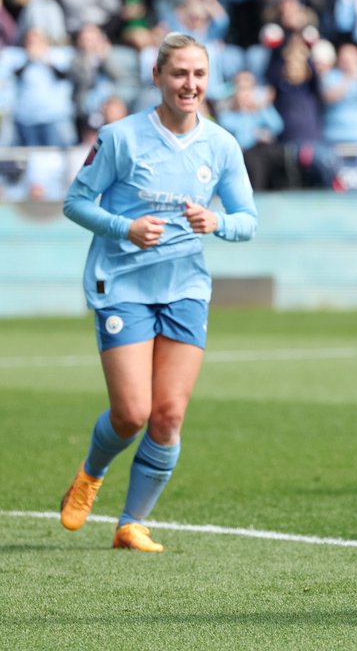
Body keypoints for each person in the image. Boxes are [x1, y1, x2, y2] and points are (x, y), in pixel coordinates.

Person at [58, 33, 258, 553]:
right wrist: (124, 228)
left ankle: (131, 523)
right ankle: (90, 472)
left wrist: (216, 222)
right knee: (132, 413)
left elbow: (248, 220)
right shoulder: (119, 137)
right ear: (157, 77)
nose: (189, 84)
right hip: (122, 284)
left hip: (185, 288)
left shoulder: (221, 145)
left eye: (198, 75)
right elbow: (76, 202)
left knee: (168, 415)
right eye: (179, 74)